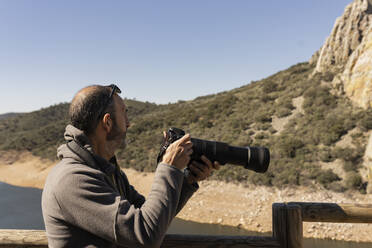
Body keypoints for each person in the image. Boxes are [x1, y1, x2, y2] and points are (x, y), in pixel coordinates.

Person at [41, 84, 220, 248]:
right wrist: (168, 167)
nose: (128, 122)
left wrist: (187, 181)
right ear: (108, 122)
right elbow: (146, 234)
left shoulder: (106, 171)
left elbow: (154, 218)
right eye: (124, 113)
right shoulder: (73, 179)